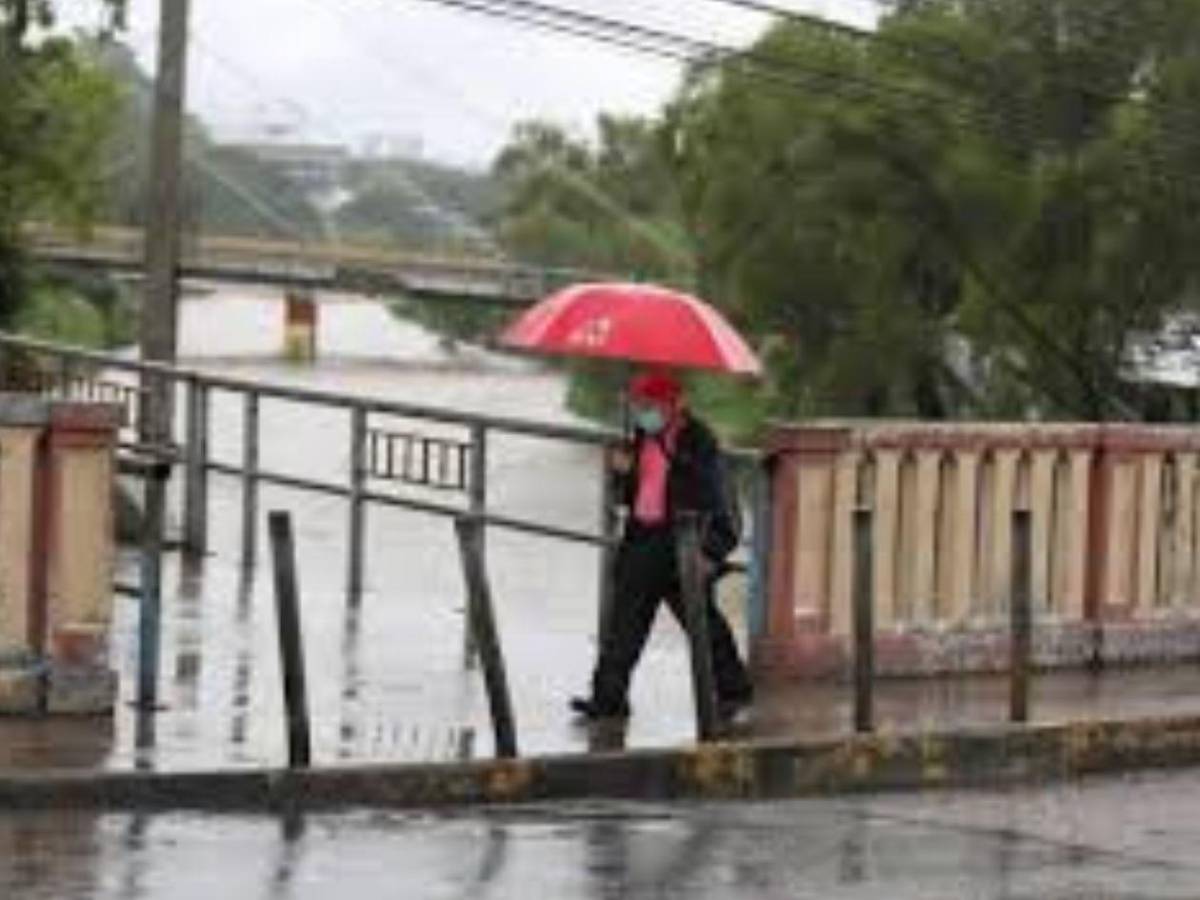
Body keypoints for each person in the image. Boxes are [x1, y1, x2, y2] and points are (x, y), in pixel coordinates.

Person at [570, 370, 754, 721]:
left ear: (673, 405)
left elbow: (719, 503)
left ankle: (733, 690)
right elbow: (630, 497)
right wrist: (621, 473)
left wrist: (711, 552)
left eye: (648, 405)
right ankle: (607, 700)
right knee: (623, 625)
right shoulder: (640, 437)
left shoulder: (698, 441)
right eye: (637, 404)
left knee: (702, 623)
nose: (642, 411)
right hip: (641, 538)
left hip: (682, 542)